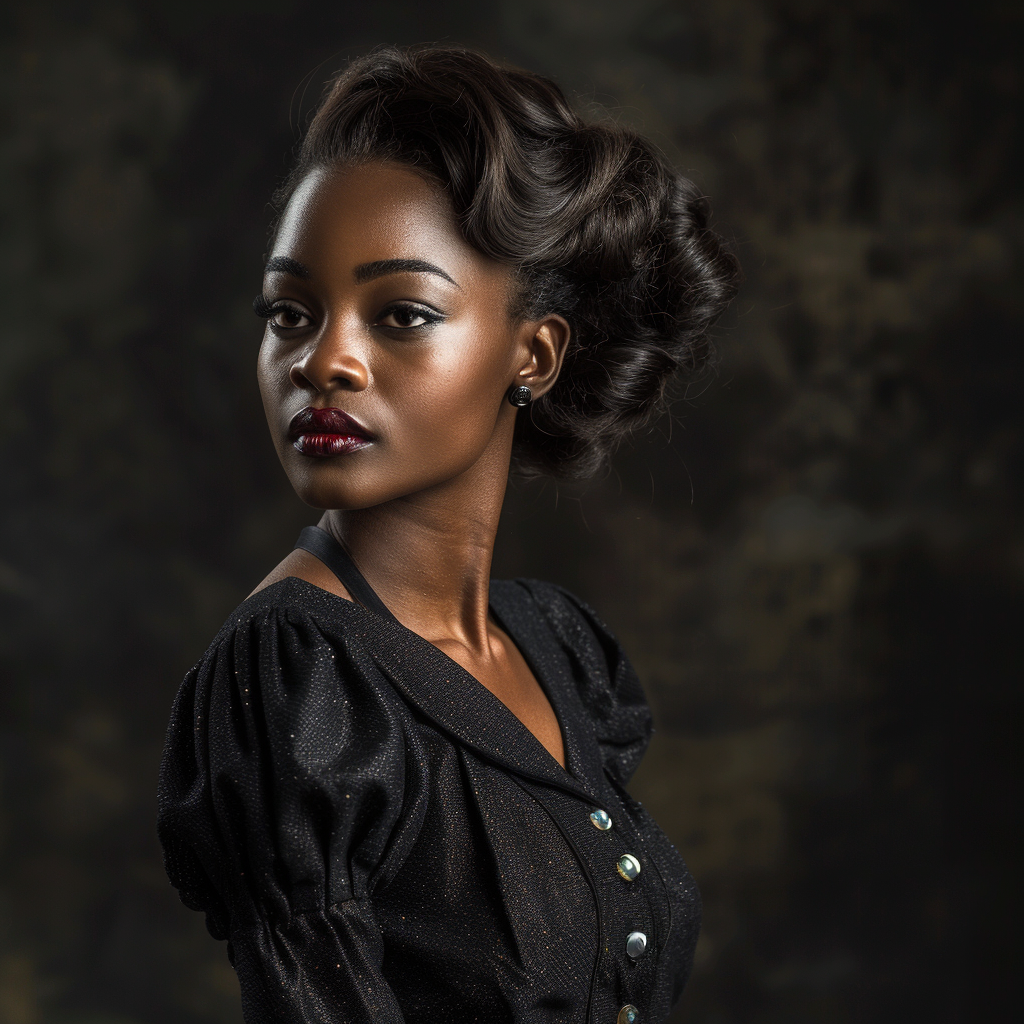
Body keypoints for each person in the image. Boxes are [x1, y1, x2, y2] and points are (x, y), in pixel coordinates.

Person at [157, 44, 739, 1024]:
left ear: (534, 353)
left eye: (401, 314)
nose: (324, 359)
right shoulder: (299, 673)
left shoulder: (557, 650)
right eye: (289, 313)